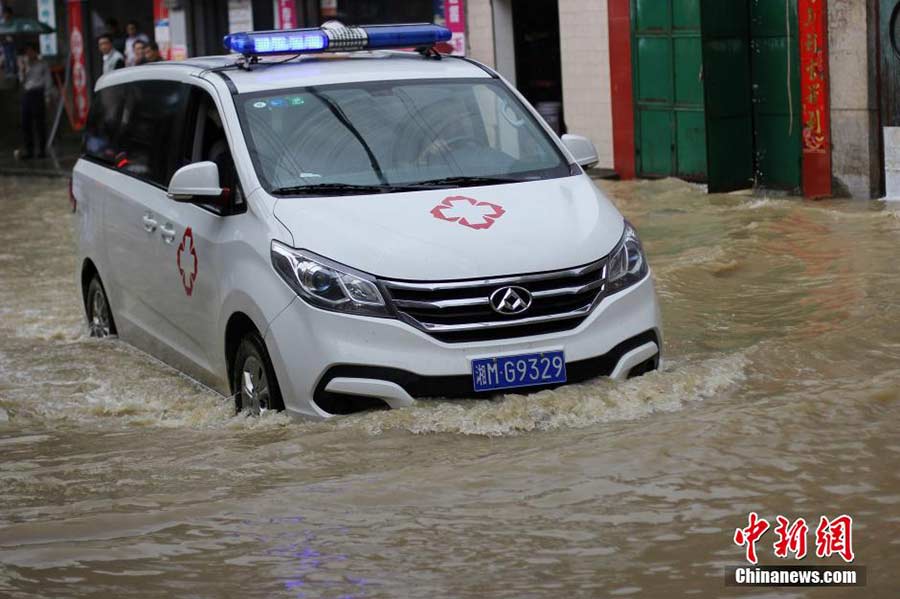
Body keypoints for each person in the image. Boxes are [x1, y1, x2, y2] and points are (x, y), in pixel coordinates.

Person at [17, 44, 51, 159]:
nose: (29, 54)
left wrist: (47, 96)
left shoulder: (43, 64)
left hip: (38, 93)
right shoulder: (25, 65)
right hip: (27, 93)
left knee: (39, 123)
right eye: (27, 52)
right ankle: (29, 150)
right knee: (25, 122)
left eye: (31, 51)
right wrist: (23, 70)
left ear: (36, 52)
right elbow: (21, 80)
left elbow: (48, 80)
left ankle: (42, 150)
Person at [1, 6, 16, 78]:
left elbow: (17, 33)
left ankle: (13, 73)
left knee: (13, 59)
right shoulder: (1, 23)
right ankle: (8, 73)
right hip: (5, 44)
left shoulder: (14, 22)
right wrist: (5, 39)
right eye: (4, 14)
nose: (6, 15)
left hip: (14, 44)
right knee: (7, 59)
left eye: (7, 14)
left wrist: (12, 37)